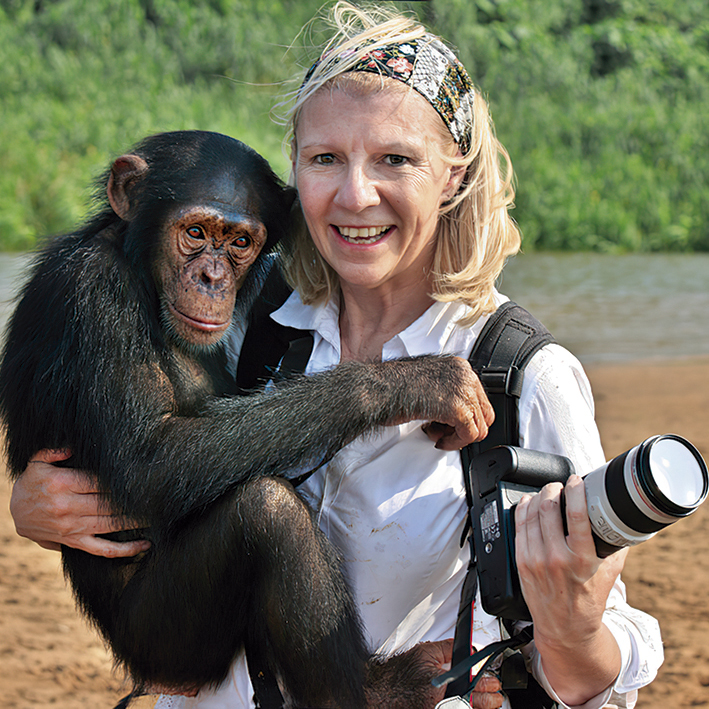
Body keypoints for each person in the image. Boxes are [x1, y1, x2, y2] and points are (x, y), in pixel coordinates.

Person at [9, 3, 663, 708]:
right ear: (298, 175)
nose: (355, 194)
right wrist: (39, 504)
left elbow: (601, 659)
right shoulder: (266, 324)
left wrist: (569, 634)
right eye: (326, 158)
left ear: (451, 173)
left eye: (394, 158)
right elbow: (144, 451)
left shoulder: (517, 374)